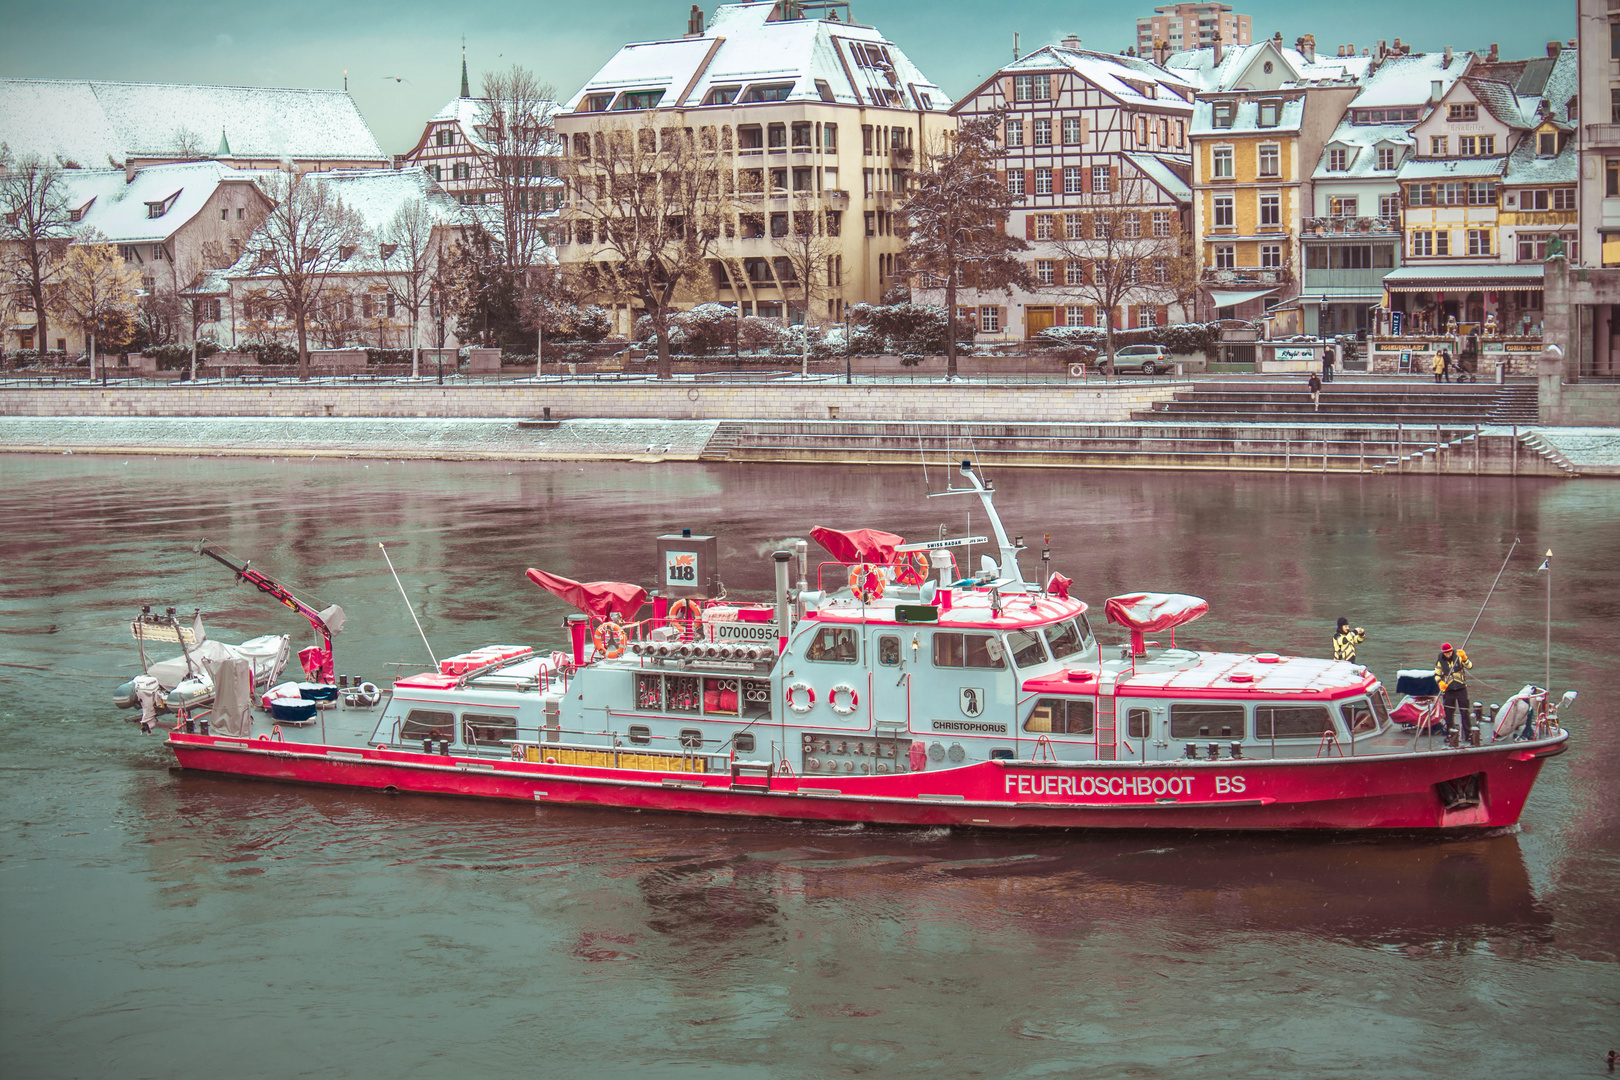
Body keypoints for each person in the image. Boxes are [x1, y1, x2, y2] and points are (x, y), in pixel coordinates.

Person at [1435, 642, 1474, 740]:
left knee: (1464, 711)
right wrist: (1440, 682)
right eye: (1446, 653)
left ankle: (1468, 734)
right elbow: (1437, 675)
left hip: (1461, 688)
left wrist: (1464, 658)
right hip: (1448, 689)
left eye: (1450, 653)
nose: (1448, 655)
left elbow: (1470, 666)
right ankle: (1450, 734)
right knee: (1449, 712)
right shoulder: (1440, 661)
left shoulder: (1459, 657)